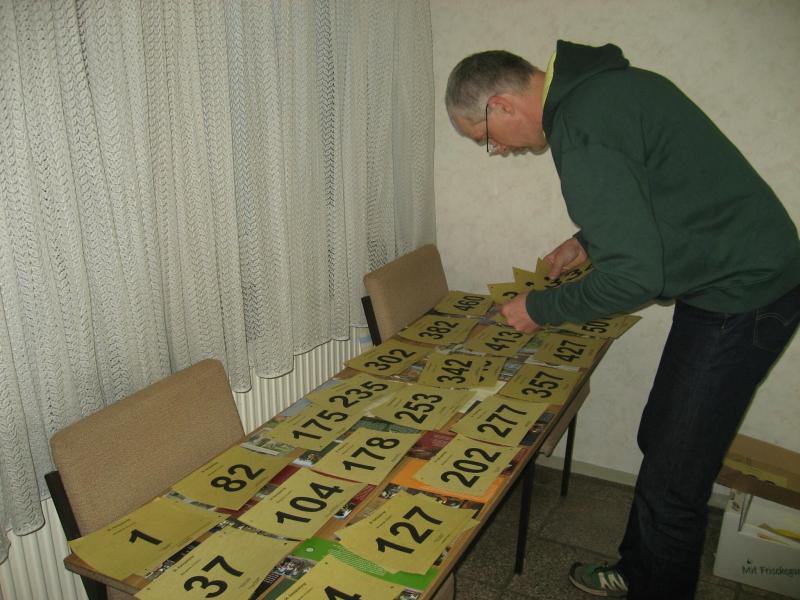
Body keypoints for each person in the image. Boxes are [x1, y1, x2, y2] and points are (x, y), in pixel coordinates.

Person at [445, 41, 800, 599]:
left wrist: (538, 309)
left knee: (673, 479)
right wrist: (588, 241)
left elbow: (635, 280)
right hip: (729, 280)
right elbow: (662, 186)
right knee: (660, 436)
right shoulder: (607, 90)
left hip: (742, 294)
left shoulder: (583, 127)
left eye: (485, 137)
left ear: (502, 105)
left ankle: (653, 583)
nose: (497, 149)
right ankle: (638, 571)